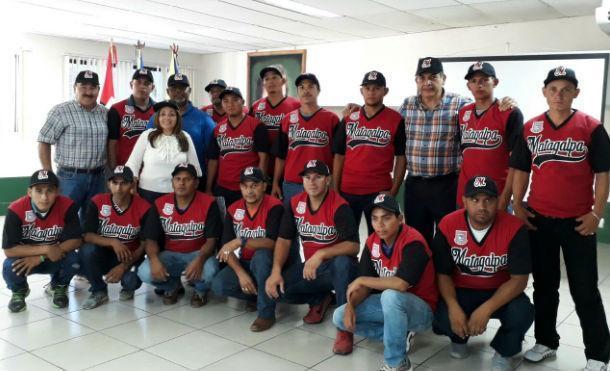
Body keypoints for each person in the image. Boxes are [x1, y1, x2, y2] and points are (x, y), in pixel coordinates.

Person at [510, 67, 610, 371]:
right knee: (544, 285)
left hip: (578, 222)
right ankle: (546, 341)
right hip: (540, 220)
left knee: (584, 290)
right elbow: (522, 170)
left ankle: (597, 354)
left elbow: (603, 174)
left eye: (566, 89)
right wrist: (517, 203)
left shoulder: (591, 128)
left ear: (576, 93)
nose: (559, 95)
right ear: (544, 92)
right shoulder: (530, 128)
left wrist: (596, 214)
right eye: (553, 89)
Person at [400, 57, 515, 245]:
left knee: (449, 239)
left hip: (447, 185)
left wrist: (507, 101)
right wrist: (354, 108)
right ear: (416, 81)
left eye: (433, 77)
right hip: (414, 185)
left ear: (443, 79)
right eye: (422, 77)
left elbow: (485, 106)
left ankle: (444, 274)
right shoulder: (407, 105)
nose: (428, 82)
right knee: (417, 239)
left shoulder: (460, 104)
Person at [432, 176, 534, 371]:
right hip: (461, 290)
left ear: (497, 201)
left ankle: (506, 351)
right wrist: (453, 307)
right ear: (464, 201)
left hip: (499, 291)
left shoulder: (514, 227)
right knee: (441, 313)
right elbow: (442, 273)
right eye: (475, 199)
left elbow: (519, 280)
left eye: (488, 200)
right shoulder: (448, 224)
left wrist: (486, 309)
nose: (482, 206)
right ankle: (459, 337)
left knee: (522, 312)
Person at [332, 193, 437, 371]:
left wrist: (361, 279)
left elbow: (401, 284)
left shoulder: (413, 241)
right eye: (374, 219)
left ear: (400, 219)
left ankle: (397, 363)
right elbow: (364, 287)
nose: (380, 224)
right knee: (339, 316)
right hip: (392, 306)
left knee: (390, 296)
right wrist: (351, 304)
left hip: (421, 310)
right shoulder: (373, 241)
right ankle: (398, 335)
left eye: (386, 218)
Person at [265, 160, 359, 353]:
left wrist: (321, 253)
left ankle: (344, 329)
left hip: (339, 270)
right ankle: (320, 298)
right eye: (307, 177)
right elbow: (284, 239)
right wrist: (275, 271)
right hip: (313, 269)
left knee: (342, 263)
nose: (312, 182)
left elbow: (354, 246)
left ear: (328, 180)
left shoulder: (340, 205)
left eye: (318, 177)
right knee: (279, 289)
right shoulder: (294, 203)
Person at [211, 167, 284, 332]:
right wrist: (240, 273)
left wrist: (241, 241)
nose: (249, 191)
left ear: (264, 186)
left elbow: (272, 243)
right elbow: (225, 248)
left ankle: (266, 313)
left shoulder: (275, 206)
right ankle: (257, 294)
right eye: (245, 186)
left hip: (271, 264)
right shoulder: (233, 209)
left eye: (254, 185)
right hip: (245, 262)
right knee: (219, 284)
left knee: (262, 255)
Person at [333, 71, 406, 234]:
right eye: (367, 88)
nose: (371, 92)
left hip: (379, 190)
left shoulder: (396, 119)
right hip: (348, 190)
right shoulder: (349, 118)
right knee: (346, 238)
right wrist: (336, 189)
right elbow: (339, 155)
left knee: (380, 239)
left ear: (385, 91)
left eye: (377, 88)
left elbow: (401, 157)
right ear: (361, 91)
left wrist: (394, 191)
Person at [139, 163, 221, 306]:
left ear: (196, 183)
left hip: (198, 253)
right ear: (172, 182)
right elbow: (150, 239)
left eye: (187, 179)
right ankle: (172, 286)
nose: (181, 183)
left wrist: (200, 260)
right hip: (170, 254)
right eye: (177, 179)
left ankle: (200, 291)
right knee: (144, 272)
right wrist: (154, 260)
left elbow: (211, 240)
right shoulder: (160, 203)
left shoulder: (208, 203)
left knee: (211, 271)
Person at [2, 170, 81, 312]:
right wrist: (45, 249)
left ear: (57, 191)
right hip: (27, 259)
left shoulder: (67, 206)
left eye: (49, 191)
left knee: (74, 260)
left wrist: (42, 257)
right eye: (38, 191)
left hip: (55, 256)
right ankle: (19, 291)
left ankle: (58, 286)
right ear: (29, 192)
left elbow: (76, 240)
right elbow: (9, 249)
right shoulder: (16, 209)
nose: (44, 197)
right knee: (9, 265)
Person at [38, 70, 108, 219]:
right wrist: (48, 174)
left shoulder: (105, 113)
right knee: (62, 219)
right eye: (83, 87)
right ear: (75, 87)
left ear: (98, 90)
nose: (88, 92)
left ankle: (88, 243)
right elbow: (44, 141)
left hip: (98, 178)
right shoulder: (60, 111)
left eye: (93, 87)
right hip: (69, 178)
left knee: (92, 222)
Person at [79, 166, 152, 309]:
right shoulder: (97, 202)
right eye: (115, 182)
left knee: (131, 280)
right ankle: (99, 291)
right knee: (86, 251)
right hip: (103, 253)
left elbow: (145, 244)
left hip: (129, 257)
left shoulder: (144, 207)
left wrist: (124, 266)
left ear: (132, 184)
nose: (119, 188)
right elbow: (87, 235)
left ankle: (128, 287)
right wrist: (113, 241)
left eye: (124, 183)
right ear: (108, 184)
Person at [457, 62, 523, 209]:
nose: (479, 85)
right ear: (468, 86)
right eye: (473, 81)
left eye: (484, 80)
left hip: (496, 194)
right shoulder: (462, 113)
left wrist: (506, 196)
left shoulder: (510, 113)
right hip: (467, 193)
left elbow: (516, 163)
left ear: (495, 82)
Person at [271, 73, 340, 205]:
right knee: (291, 224)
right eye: (302, 87)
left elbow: (338, 156)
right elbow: (280, 156)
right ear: (297, 91)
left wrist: (334, 183)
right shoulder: (287, 120)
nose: (306, 90)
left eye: (310, 86)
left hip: (321, 183)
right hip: (292, 183)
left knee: (319, 224)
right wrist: (275, 183)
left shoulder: (331, 119)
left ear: (318, 90)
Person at [148, 73, 215, 189]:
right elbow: (147, 149)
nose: (178, 91)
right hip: (161, 181)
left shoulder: (204, 119)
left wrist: (209, 186)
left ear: (189, 90)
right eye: (174, 88)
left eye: (182, 88)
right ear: (168, 92)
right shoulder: (155, 119)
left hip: (194, 182)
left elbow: (212, 156)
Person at [127, 100, 202, 203]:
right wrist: (132, 187)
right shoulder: (147, 135)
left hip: (177, 194)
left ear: (177, 118)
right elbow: (133, 163)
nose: (167, 118)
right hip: (147, 192)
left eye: (171, 114)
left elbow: (194, 167)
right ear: (157, 117)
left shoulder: (185, 137)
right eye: (163, 114)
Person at [206, 87, 269, 207]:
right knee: (225, 223)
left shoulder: (256, 125)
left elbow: (264, 158)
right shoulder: (218, 129)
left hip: (248, 186)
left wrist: (260, 184)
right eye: (226, 101)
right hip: (223, 187)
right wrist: (209, 187)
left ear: (243, 102)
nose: (230, 104)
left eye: (235, 100)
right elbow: (213, 160)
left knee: (247, 223)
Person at [250, 64, 301, 178]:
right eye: (267, 79)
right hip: (260, 166)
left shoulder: (296, 105)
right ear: (263, 83)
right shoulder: (256, 106)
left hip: (286, 165)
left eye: (274, 77)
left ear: (283, 81)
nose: (270, 82)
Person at [107, 68, 156, 168]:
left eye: (146, 83)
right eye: (138, 83)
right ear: (131, 84)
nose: (142, 86)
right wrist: (113, 169)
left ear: (152, 87)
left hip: (151, 169)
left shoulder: (160, 111)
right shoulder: (117, 109)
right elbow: (112, 142)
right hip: (124, 169)